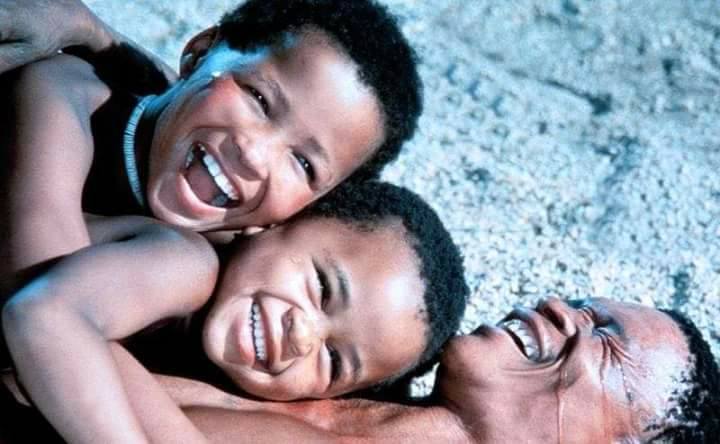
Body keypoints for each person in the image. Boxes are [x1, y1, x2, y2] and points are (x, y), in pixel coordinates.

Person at [0, 0, 422, 293]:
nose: (254, 155)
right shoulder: (67, 93)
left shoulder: (241, 256)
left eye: (303, 163)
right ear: (198, 53)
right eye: (259, 99)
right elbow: (41, 296)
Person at [1, 180, 468, 443]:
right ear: (277, 221)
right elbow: (46, 317)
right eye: (322, 287)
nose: (302, 337)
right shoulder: (185, 261)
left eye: (333, 360)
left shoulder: (218, 388)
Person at [106, 297, 720, 443]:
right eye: (584, 306)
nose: (558, 308)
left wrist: (68, 326)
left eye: (604, 338)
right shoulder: (334, 362)